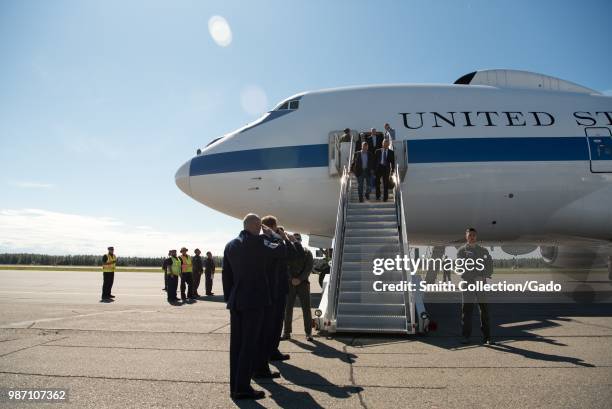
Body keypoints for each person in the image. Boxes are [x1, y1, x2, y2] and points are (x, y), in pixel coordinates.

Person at [222, 213, 287, 400]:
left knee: (236, 346)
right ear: (258, 226)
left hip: (237, 302)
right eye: (260, 227)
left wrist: (230, 298)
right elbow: (281, 250)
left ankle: (235, 386)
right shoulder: (261, 243)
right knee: (249, 345)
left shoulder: (231, 245)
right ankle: (242, 388)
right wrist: (272, 234)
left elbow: (227, 276)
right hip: (255, 301)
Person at [258, 217, 303, 369]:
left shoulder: (273, 242)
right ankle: (267, 352)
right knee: (271, 323)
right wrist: (288, 240)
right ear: (273, 227)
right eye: (276, 228)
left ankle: (272, 350)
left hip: (278, 288)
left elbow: (296, 256)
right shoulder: (268, 242)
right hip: (272, 289)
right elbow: (293, 255)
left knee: (277, 322)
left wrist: (288, 241)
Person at [456, 228, 494, 345]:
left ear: (476, 237)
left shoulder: (483, 251)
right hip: (468, 284)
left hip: (481, 284)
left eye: (473, 235)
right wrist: (474, 277)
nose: (472, 237)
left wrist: (484, 276)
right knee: (467, 312)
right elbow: (461, 268)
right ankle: (466, 336)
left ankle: (487, 337)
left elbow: (489, 265)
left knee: (484, 311)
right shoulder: (461, 251)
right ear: (466, 236)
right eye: (470, 235)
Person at [282, 233, 314, 341]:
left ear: (300, 240)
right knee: (288, 308)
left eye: (298, 239)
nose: (296, 241)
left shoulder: (307, 252)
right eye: (294, 239)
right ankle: (286, 332)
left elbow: (309, 268)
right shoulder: (287, 252)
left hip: (303, 283)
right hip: (290, 283)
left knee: (306, 309)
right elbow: (285, 267)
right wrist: (291, 279)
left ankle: (309, 333)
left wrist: (299, 279)